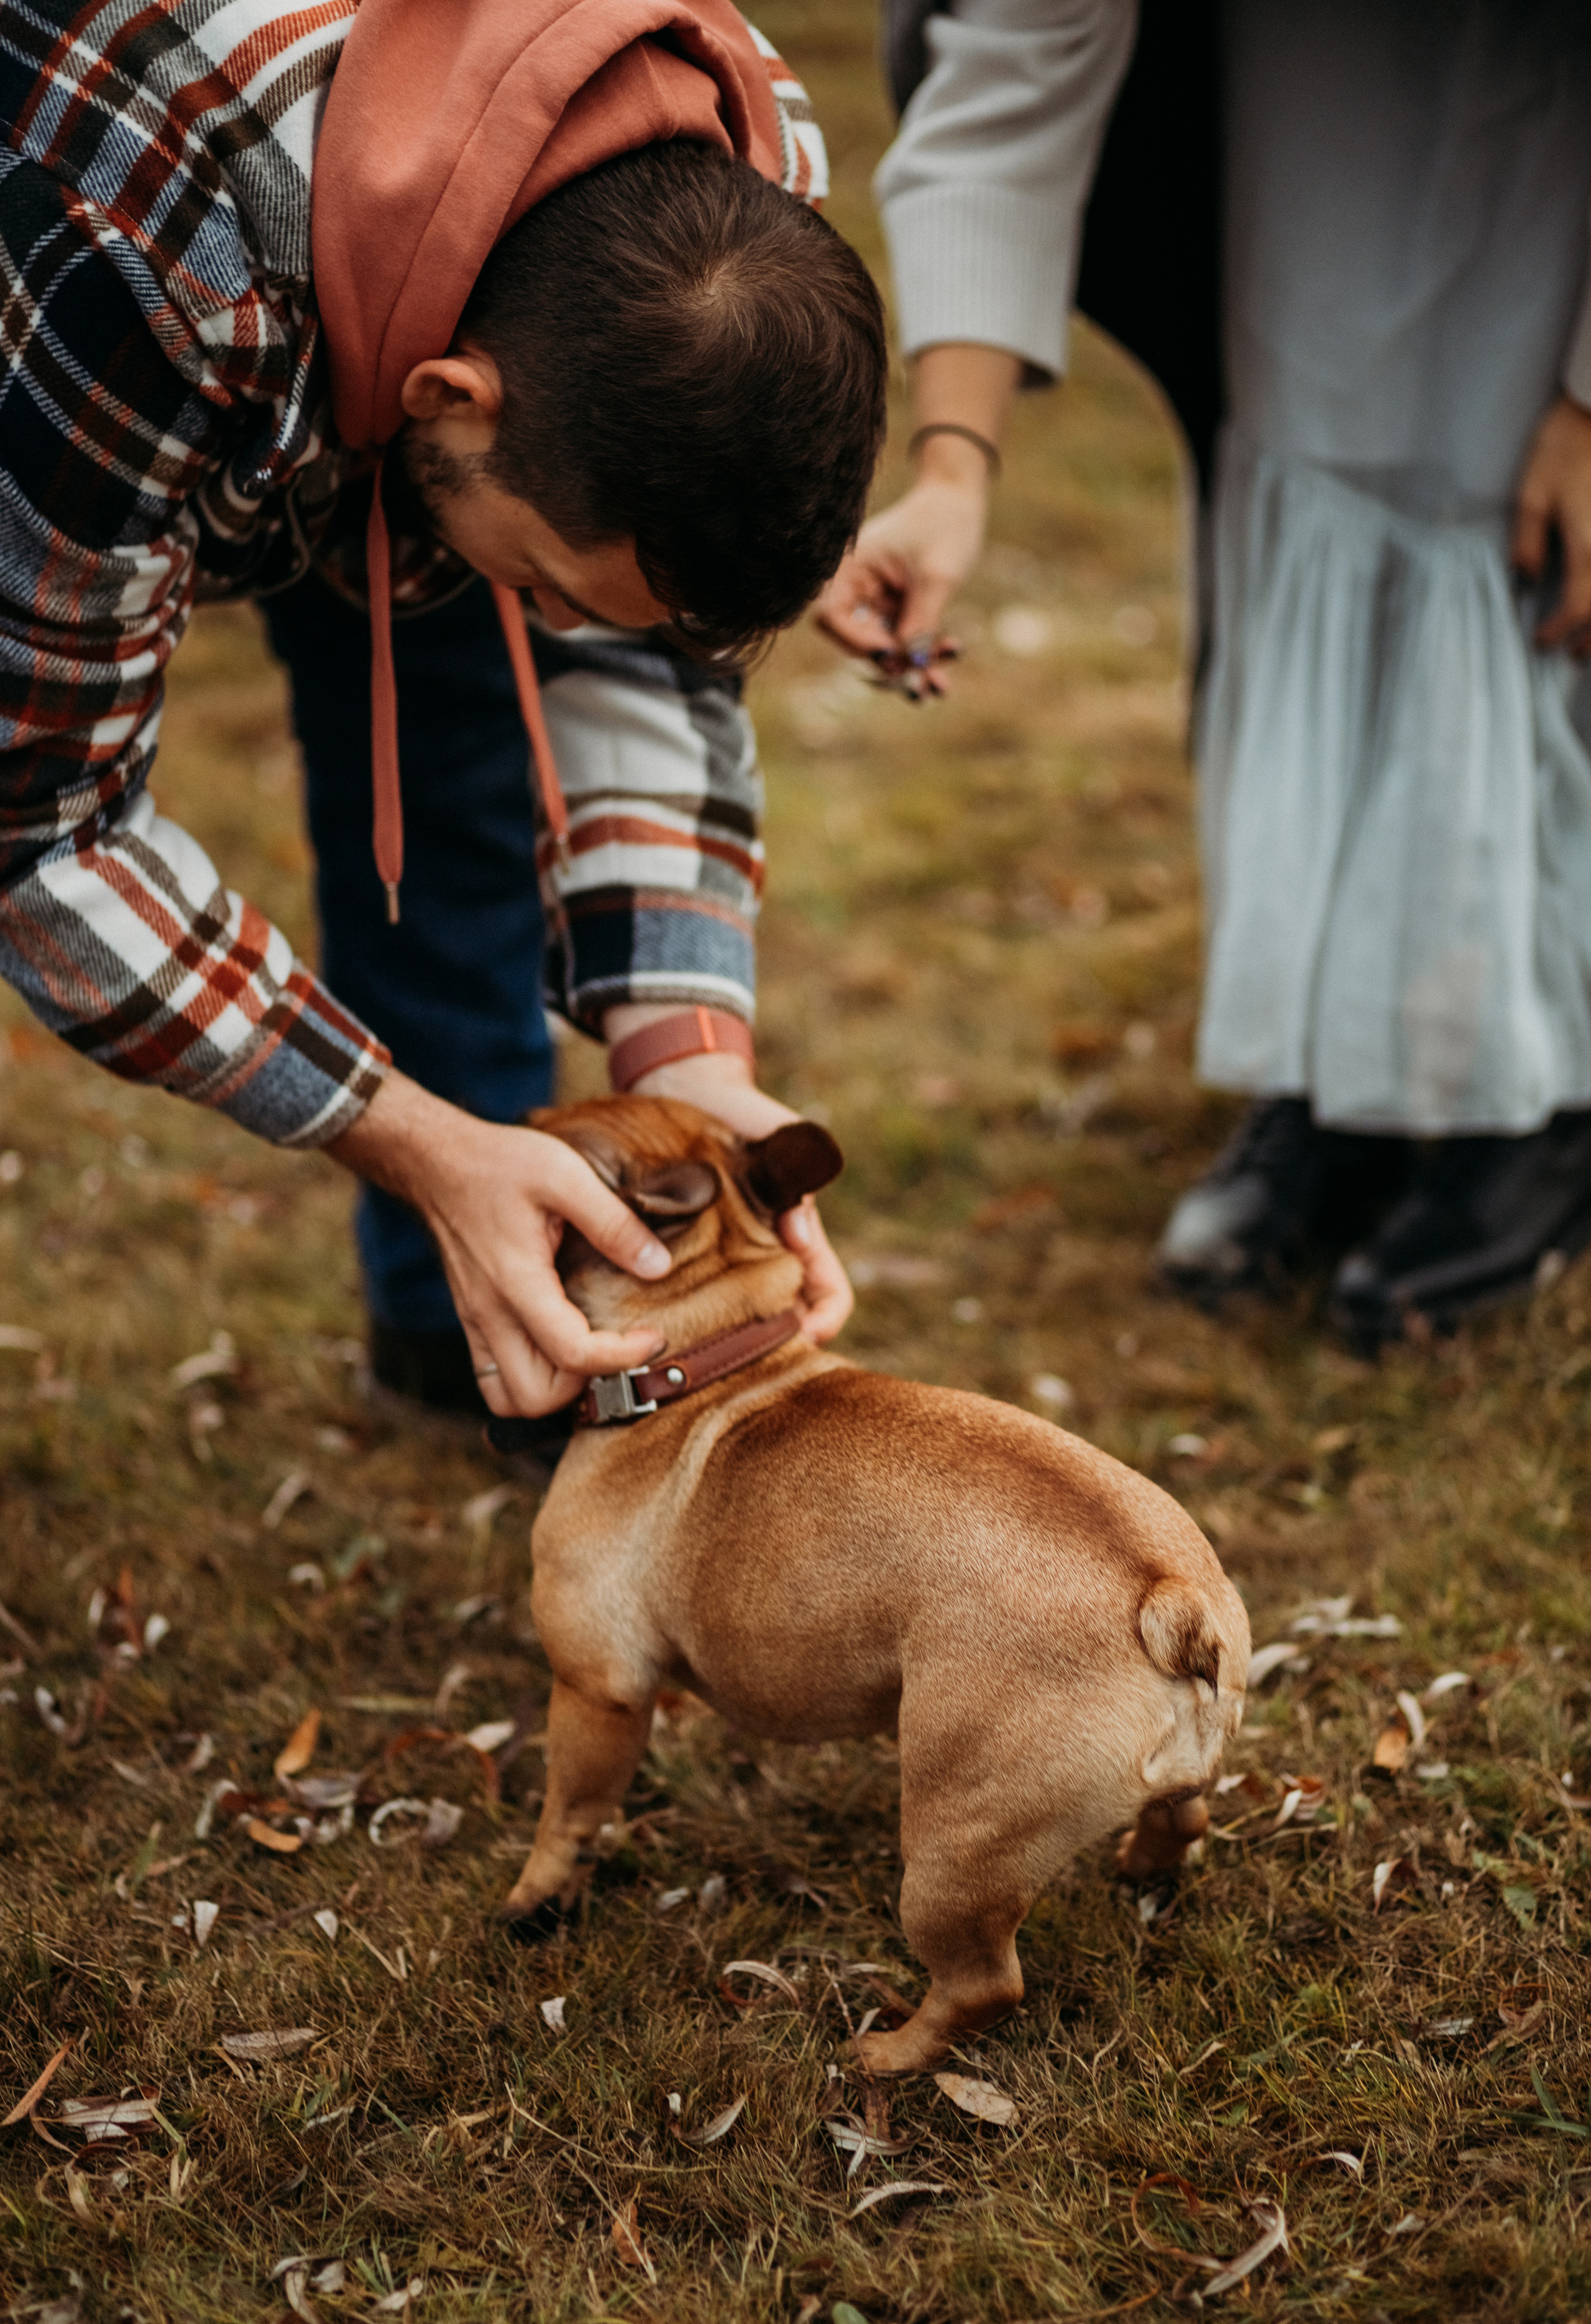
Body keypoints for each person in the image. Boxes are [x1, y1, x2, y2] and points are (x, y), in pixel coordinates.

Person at [0, 0, 886, 1420]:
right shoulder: (139, 256)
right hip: (118, 299)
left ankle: (468, 1323)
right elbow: (40, 827)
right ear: (448, 393)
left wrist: (687, 1062)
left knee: (472, 742)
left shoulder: (742, 196)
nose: (566, 637)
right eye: (553, 592)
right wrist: (405, 1135)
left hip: (371, 337)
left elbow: (654, 648)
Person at [818, 0, 1591, 1345]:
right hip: (1300, 120)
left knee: (1529, 549)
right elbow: (1010, 79)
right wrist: (953, 468)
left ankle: (1545, 1096)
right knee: (1307, 471)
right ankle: (1340, 1072)